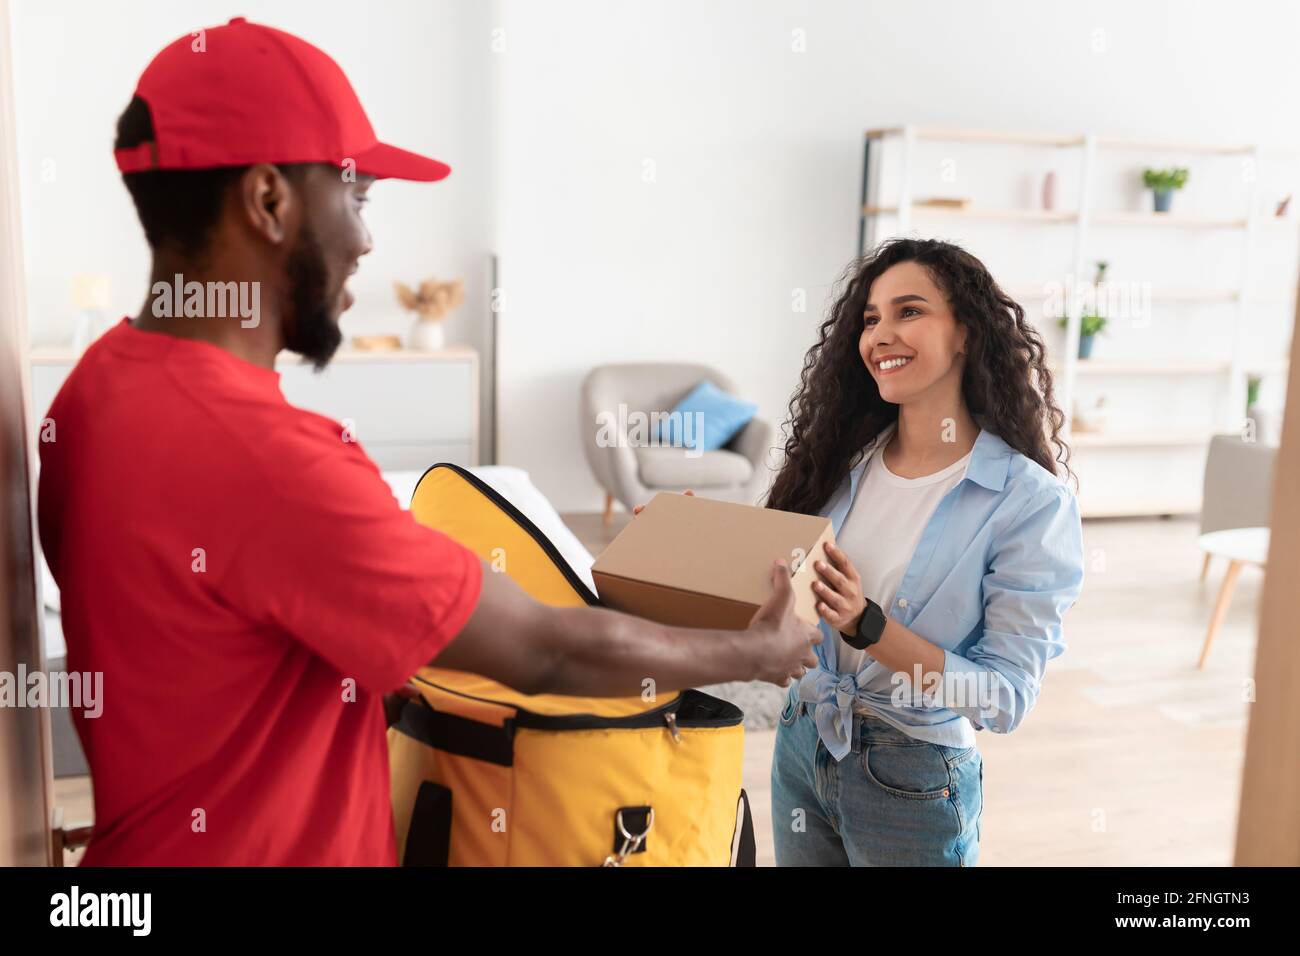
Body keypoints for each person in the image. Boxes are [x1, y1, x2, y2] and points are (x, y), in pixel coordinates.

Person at [36, 18, 820, 866]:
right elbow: (539, 649)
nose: (367, 240)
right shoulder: (264, 456)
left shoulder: (96, 388)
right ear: (268, 201)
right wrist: (753, 651)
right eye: (358, 195)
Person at [765, 237, 1085, 866]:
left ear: (965, 333)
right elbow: (780, 598)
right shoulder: (837, 464)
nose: (880, 333)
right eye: (871, 318)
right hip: (804, 740)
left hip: (910, 773)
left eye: (909, 311)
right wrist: (685, 542)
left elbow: (1004, 697)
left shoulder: (1028, 503)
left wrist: (868, 624)